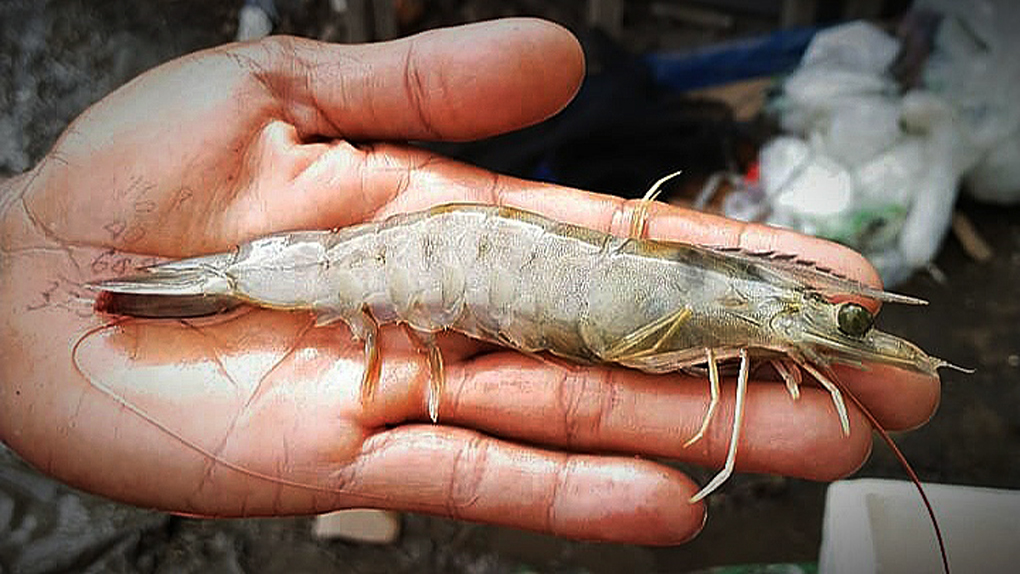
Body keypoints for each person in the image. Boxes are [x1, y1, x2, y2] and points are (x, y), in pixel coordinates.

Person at [0, 19, 938, 545]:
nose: (832, 332)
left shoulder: (746, 307)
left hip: (449, 264)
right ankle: (214, 281)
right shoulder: (731, 311)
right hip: (384, 271)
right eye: (838, 328)